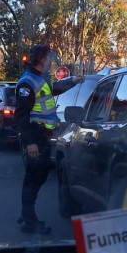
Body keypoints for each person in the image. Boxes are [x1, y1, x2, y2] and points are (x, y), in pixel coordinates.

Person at [14, 44, 83, 234]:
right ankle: (29, 221)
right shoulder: (27, 83)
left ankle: (26, 213)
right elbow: (21, 116)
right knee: (34, 178)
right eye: (50, 59)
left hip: (42, 136)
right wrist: (31, 142)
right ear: (42, 60)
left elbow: (53, 89)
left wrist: (73, 81)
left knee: (38, 176)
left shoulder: (39, 79)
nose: (52, 62)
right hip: (36, 137)